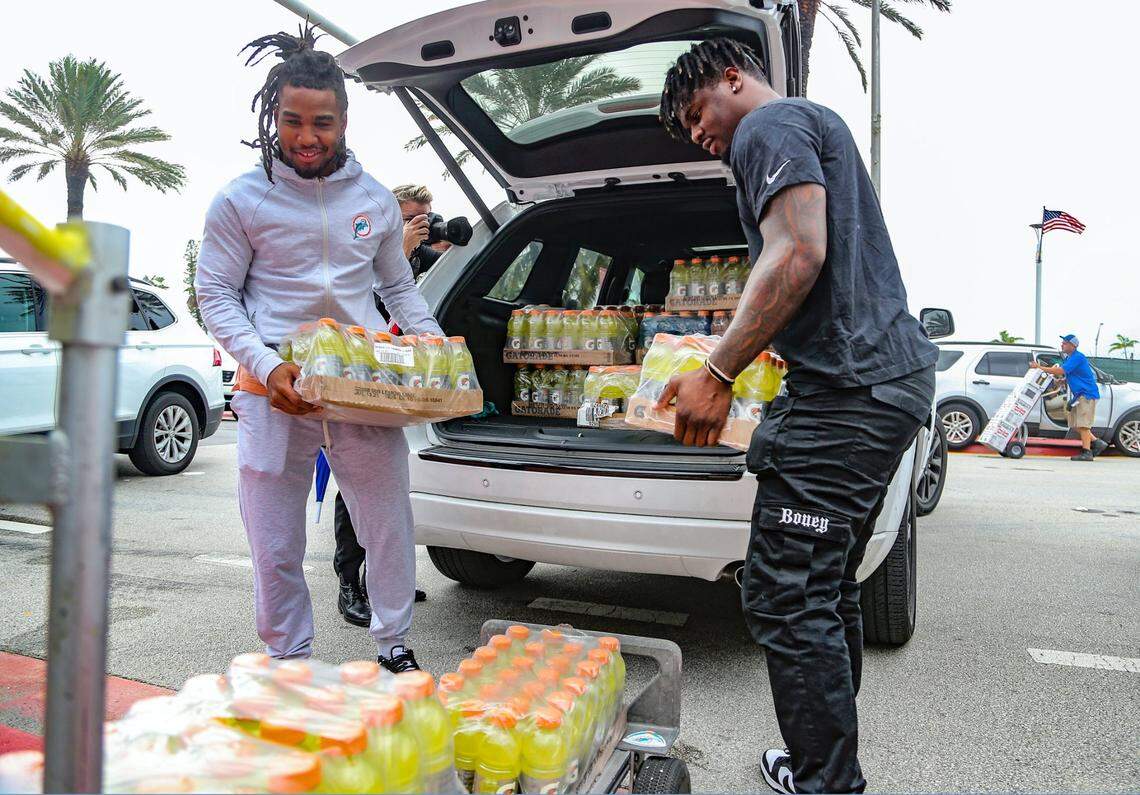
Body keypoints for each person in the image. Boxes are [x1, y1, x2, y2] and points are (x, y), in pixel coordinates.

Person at [657, 39, 938, 794]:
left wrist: (719, 370)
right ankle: (824, 762)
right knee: (827, 584)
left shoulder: (768, 125)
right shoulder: (804, 129)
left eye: (696, 114)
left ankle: (827, 781)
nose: (701, 136)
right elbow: (812, 270)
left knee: (787, 592)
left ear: (732, 77)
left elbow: (797, 254)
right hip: (878, 386)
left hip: (851, 395)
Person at [195, 24, 442, 672]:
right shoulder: (241, 200)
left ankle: (394, 648)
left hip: (361, 386)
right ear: (274, 116)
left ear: (346, 119)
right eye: (292, 120)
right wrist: (270, 365)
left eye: (322, 123)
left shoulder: (374, 202)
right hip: (271, 387)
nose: (306, 137)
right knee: (275, 542)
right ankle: (288, 659)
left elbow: (398, 288)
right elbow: (215, 294)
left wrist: (440, 352)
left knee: (388, 527)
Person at [1032, 334, 1107, 461]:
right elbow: (1070, 373)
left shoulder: (1078, 357)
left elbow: (1061, 370)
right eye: (1062, 342)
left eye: (1065, 343)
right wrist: (1063, 381)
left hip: (1086, 394)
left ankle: (1087, 452)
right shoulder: (1069, 358)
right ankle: (1097, 443)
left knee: (1083, 425)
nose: (1062, 344)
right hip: (1079, 395)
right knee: (1074, 423)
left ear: (1073, 345)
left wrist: (1039, 367)